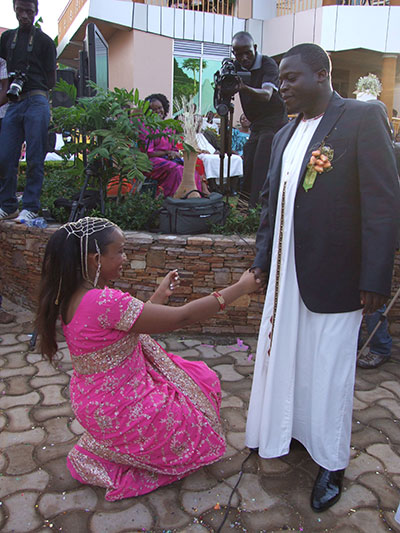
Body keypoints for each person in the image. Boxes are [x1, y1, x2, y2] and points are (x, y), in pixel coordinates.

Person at [245, 43, 400, 513]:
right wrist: (261, 259)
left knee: (331, 369)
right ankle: (289, 430)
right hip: (285, 275)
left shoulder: (361, 117)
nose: (284, 87)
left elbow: (382, 203)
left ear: (321, 75)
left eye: (291, 78)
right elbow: (272, 205)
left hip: (338, 276)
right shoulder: (282, 135)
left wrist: (377, 275)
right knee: (288, 357)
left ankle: (331, 461)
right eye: (282, 79)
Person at [35, 217, 260, 501]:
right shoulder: (106, 302)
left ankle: (116, 447)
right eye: (119, 251)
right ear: (96, 259)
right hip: (122, 408)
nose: (125, 258)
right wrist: (241, 287)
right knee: (199, 412)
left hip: (93, 405)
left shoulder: (68, 296)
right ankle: (147, 455)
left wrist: (158, 296)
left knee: (194, 377)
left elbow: (125, 326)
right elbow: (183, 316)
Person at [0, 0, 56, 223]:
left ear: (36, 12)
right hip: (14, 102)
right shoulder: (6, 39)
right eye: (20, 10)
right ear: (14, 9)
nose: (24, 15)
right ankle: (8, 205)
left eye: (29, 11)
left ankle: (31, 206)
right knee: (5, 157)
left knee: (35, 156)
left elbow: (51, 79)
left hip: (36, 99)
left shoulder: (44, 41)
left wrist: (34, 83)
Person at [231, 31, 288, 207]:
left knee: (262, 166)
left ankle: (257, 211)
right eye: (239, 54)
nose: (244, 57)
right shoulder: (235, 66)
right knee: (248, 164)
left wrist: (243, 87)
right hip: (257, 125)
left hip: (274, 123)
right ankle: (244, 207)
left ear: (255, 48)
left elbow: (266, 95)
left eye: (248, 52)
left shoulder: (268, 64)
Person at [142, 93, 203, 197]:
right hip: (151, 162)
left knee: (191, 171)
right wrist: (166, 152)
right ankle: (173, 198)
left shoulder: (169, 127)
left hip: (169, 159)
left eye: (160, 108)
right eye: (153, 109)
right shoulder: (146, 128)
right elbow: (148, 153)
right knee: (178, 170)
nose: (158, 111)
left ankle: (193, 198)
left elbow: (174, 148)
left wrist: (175, 153)